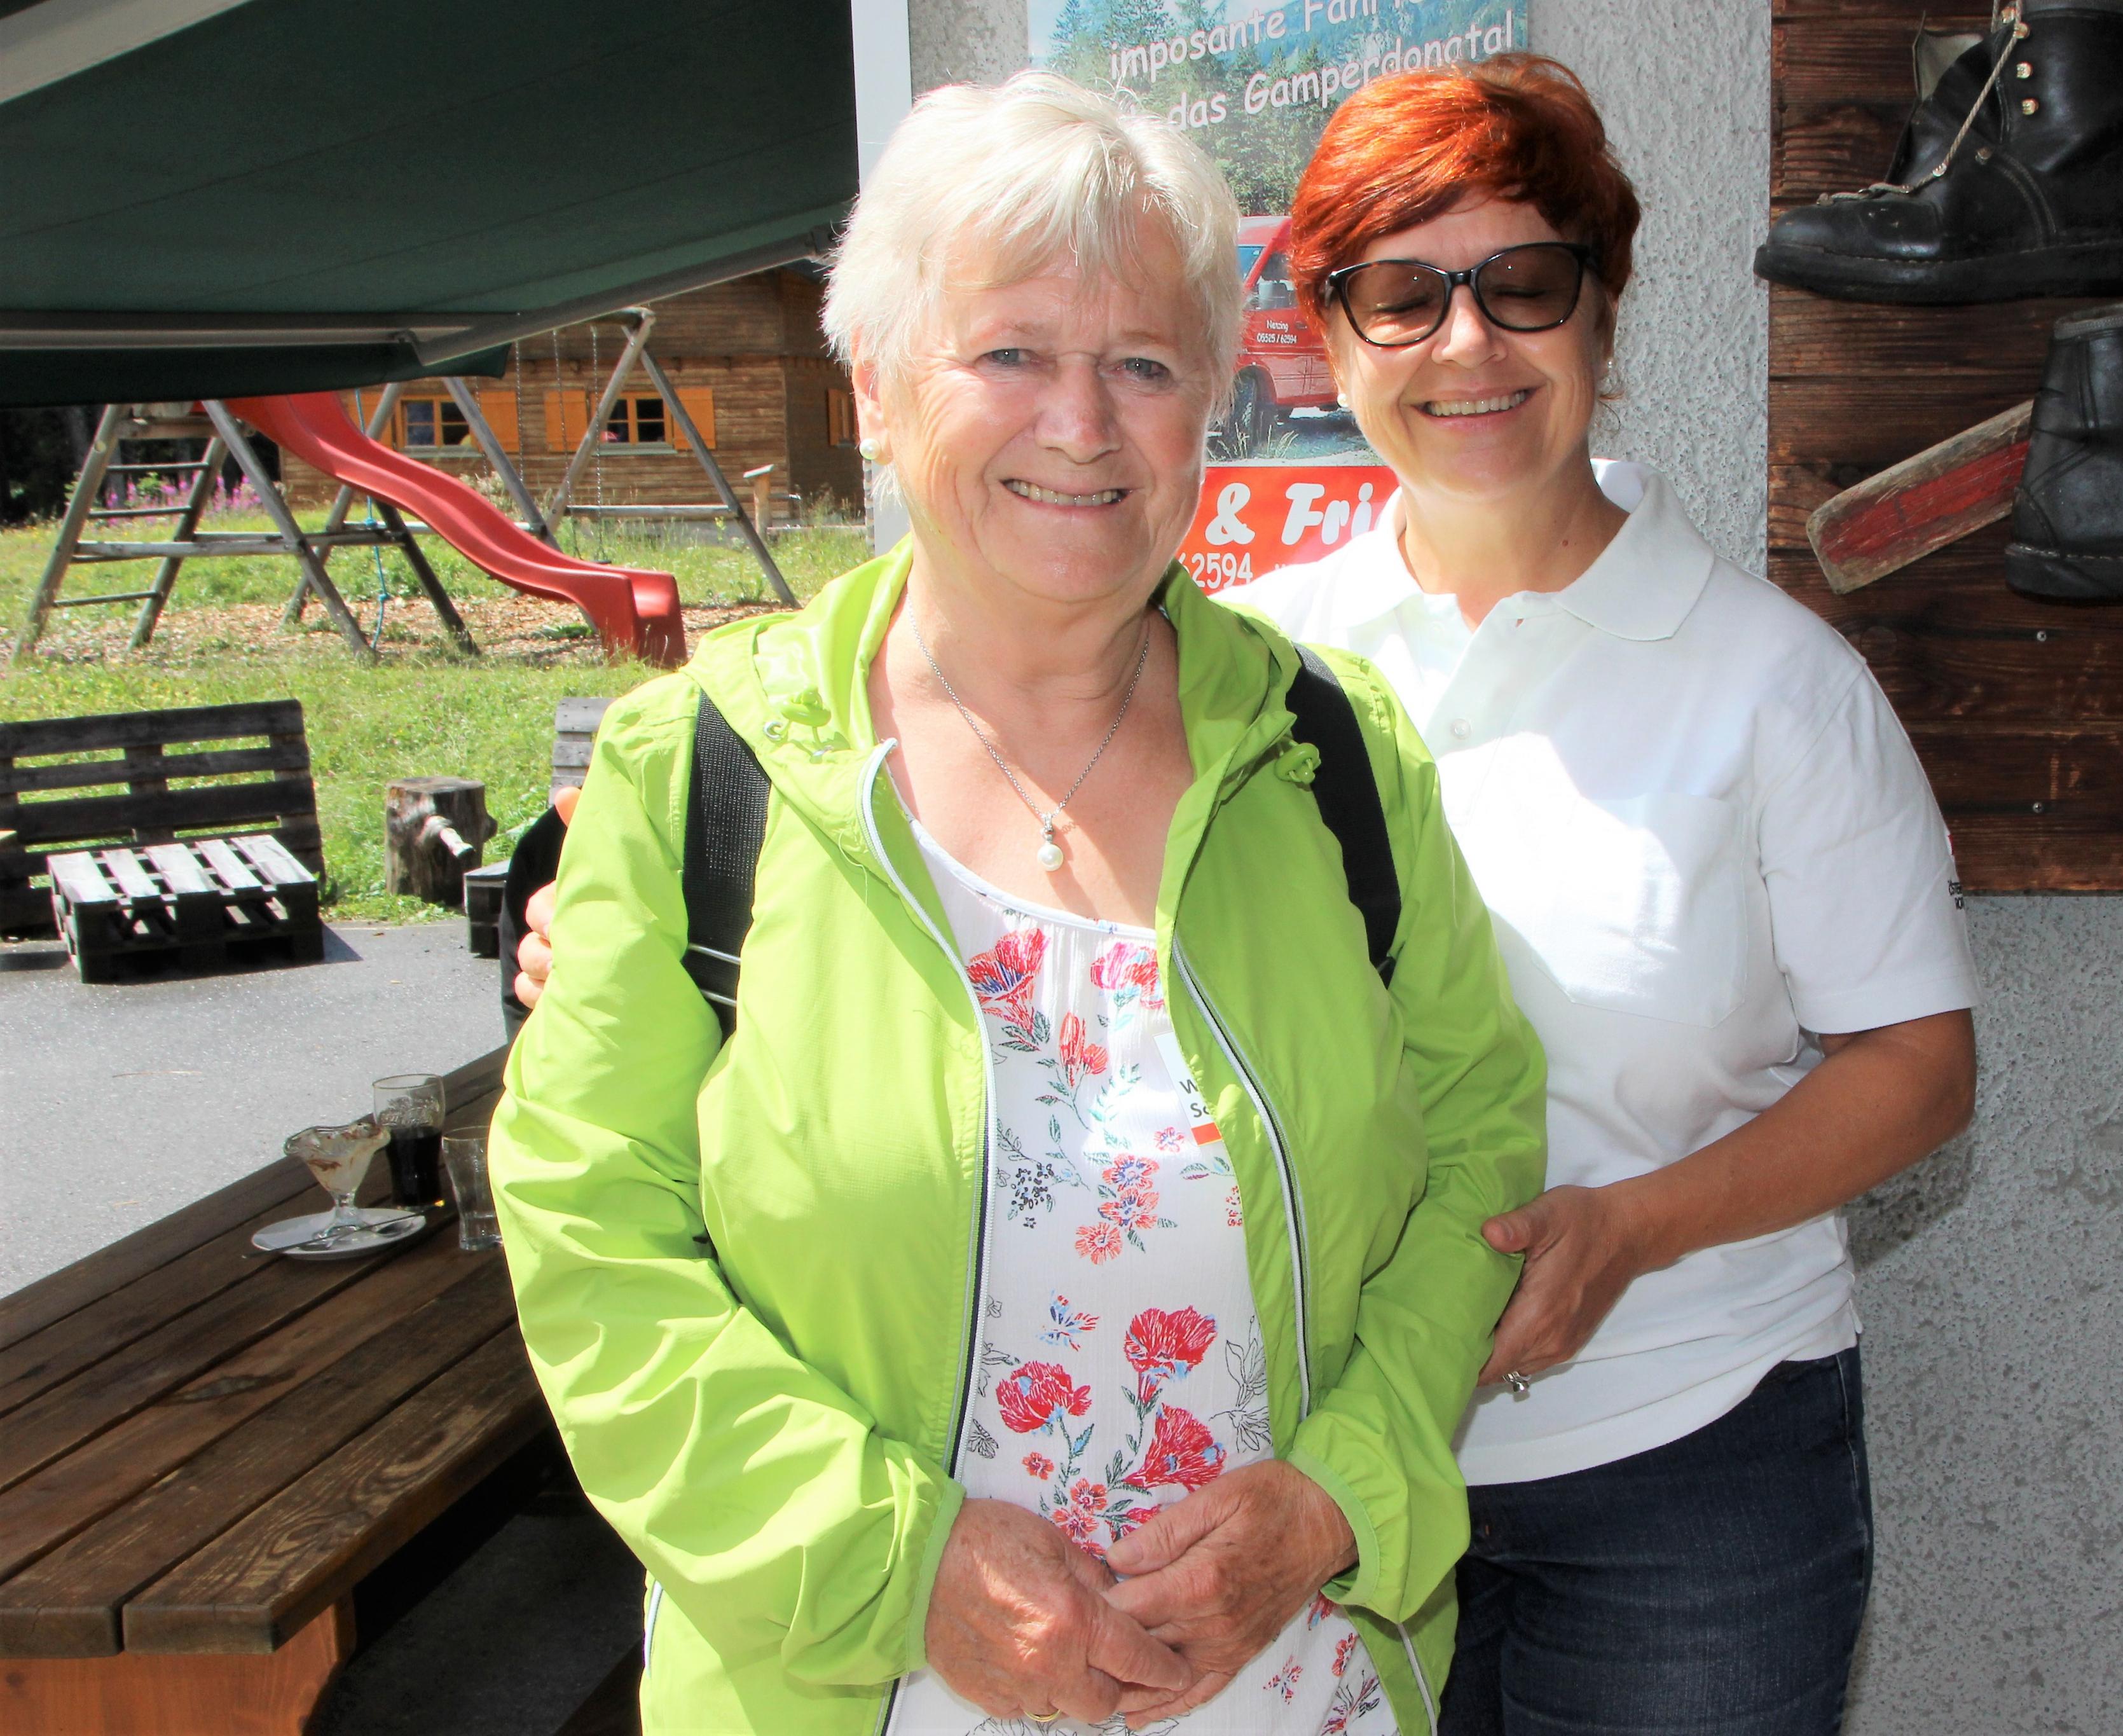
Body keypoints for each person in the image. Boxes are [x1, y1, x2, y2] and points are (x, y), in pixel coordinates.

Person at [486, 72, 1544, 1736]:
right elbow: (594, 1244)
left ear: (1209, 408)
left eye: (1144, 365)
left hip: (1299, 1691)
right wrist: (899, 1566)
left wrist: (1341, 1490)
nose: (1081, 424)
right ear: (875, 386)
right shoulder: (701, 773)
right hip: (850, 1684)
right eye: (1010, 354)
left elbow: (1481, 1145)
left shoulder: (1335, 757)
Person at [1223, 55, 1982, 1735]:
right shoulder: (1254, 671)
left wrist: (1632, 1229)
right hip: (1335, 1463)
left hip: (1689, 1467)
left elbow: (1920, 1066)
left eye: (1524, 284)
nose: (1468, 345)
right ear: (1330, 339)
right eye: (1402, 296)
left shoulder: (1773, 682)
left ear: (1606, 312)